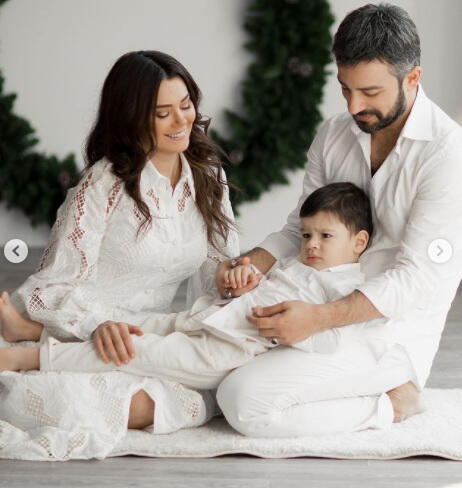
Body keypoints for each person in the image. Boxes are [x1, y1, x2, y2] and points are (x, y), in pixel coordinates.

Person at [213, 3, 462, 437]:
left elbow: (419, 279)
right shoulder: (334, 133)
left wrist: (319, 318)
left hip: (387, 334)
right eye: (345, 89)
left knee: (242, 400)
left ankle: (393, 403)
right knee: (210, 346)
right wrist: (250, 264)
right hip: (317, 298)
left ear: (412, 79)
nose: (354, 105)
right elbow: (300, 227)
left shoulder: (447, 153)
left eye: (370, 92)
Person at [0, 50, 239, 441]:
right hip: (93, 322)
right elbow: (49, 287)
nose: (182, 121)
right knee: (107, 405)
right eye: (163, 113)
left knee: (208, 391)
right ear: (133, 117)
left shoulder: (209, 175)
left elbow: (218, 266)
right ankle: (42, 340)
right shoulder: (104, 184)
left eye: (186, 105)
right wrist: (95, 324)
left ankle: (38, 338)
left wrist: (233, 282)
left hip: (152, 337)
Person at [3, 183, 393, 402]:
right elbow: (263, 282)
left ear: (358, 242)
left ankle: (28, 358)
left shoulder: (344, 287)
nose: (311, 245)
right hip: (211, 315)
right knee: (134, 323)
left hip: (226, 350)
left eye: (325, 236)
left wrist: (297, 331)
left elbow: (332, 338)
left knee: (135, 350)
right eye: (307, 235)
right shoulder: (302, 262)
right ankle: (36, 329)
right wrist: (247, 279)